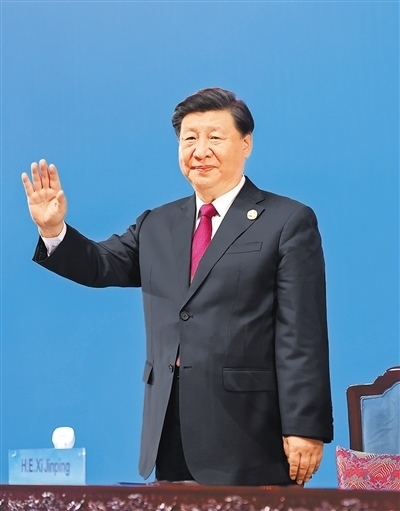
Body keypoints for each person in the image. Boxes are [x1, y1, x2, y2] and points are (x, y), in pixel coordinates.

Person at [22, 87, 333, 486]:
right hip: (170, 426)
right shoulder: (157, 223)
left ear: (246, 143)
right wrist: (53, 230)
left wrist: (304, 426)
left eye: (214, 137)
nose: (200, 151)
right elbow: (100, 264)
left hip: (251, 433)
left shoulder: (286, 221)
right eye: (189, 139)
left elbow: (302, 334)